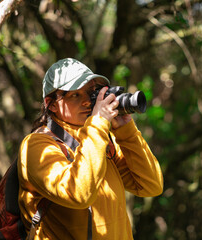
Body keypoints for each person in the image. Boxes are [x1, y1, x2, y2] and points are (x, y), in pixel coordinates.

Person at [17, 58, 163, 239]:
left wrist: (126, 130)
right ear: (51, 104)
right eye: (75, 95)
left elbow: (151, 186)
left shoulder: (99, 140)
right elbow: (78, 194)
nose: (87, 102)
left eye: (91, 93)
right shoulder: (37, 146)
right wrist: (98, 124)